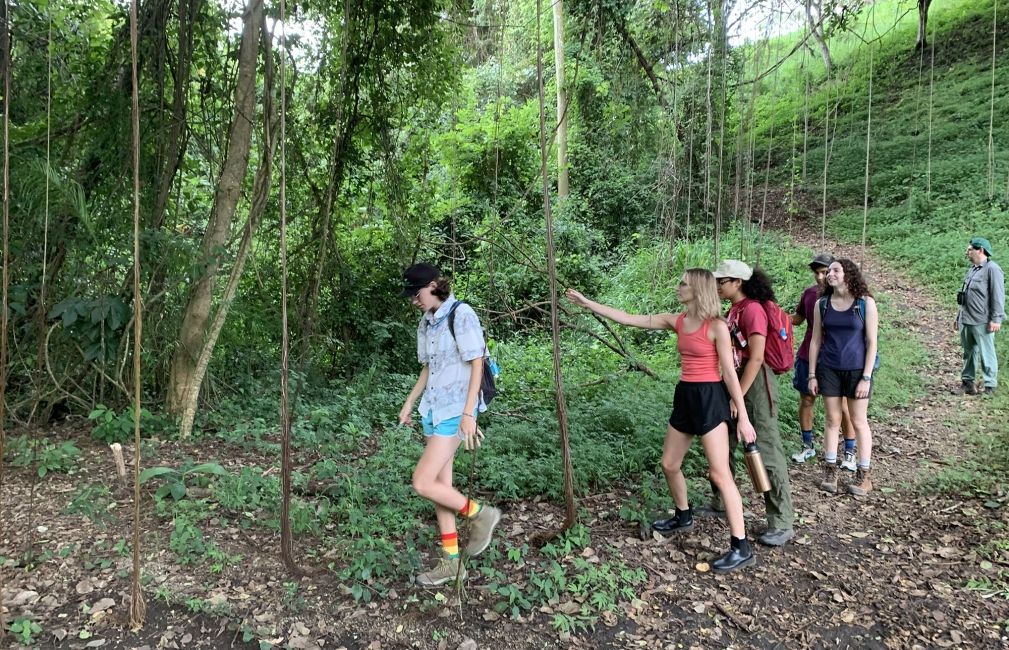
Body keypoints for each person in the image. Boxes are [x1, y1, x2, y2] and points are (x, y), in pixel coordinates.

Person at [566, 269, 758, 573]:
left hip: (710, 399)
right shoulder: (677, 320)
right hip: (685, 396)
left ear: (697, 288)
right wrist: (588, 303)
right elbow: (629, 318)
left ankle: (740, 546)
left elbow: (730, 373)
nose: (678, 287)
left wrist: (743, 416)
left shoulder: (717, 326)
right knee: (669, 464)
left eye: (683, 283)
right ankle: (683, 516)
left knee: (720, 474)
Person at [398, 263, 501, 586]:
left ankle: (481, 514)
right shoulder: (426, 324)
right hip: (433, 409)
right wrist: (411, 401)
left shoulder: (462, 314)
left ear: (432, 286)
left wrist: (469, 413)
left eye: (416, 294)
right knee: (440, 489)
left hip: (456, 410)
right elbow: (429, 367)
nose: (414, 300)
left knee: (422, 482)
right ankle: (451, 563)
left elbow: (477, 362)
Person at [711, 260, 795, 547]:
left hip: (755, 384)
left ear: (738, 282)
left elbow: (757, 357)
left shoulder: (753, 310)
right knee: (723, 443)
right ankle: (721, 500)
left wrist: (739, 398)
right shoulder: (734, 309)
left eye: (722, 281)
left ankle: (781, 520)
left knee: (765, 449)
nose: (718, 285)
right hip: (735, 380)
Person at [807, 259, 879, 496]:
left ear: (849, 274)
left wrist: (866, 377)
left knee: (858, 421)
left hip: (857, 369)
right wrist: (811, 374)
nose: (830, 274)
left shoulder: (865, 303)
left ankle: (864, 474)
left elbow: (871, 342)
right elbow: (816, 340)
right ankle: (830, 470)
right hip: (829, 368)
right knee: (831, 420)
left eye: (836, 270)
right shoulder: (822, 304)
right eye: (829, 271)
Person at [791, 253, 858, 471]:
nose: (821, 277)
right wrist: (771, 315)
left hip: (836, 359)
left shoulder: (851, 297)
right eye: (817, 272)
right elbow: (798, 319)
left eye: (825, 271)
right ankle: (808, 445)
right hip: (808, 354)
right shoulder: (810, 295)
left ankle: (849, 451)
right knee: (807, 400)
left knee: (845, 408)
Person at [956, 237, 1004, 395]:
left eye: (970, 249)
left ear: (980, 250)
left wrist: (996, 319)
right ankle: (967, 383)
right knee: (968, 352)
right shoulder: (973, 268)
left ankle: (990, 385)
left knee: (986, 353)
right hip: (966, 318)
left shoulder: (992, 269)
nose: (967, 252)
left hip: (982, 320)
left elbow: (997, 295)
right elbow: (965, 294)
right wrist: (958, 317)